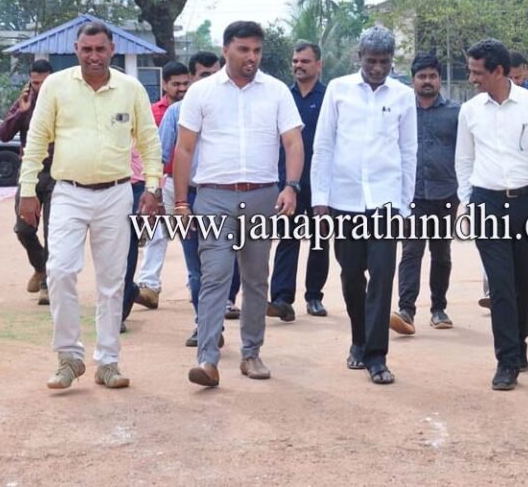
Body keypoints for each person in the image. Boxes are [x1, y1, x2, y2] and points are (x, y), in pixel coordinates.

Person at [18, 20, 162, 390]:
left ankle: (108, 362)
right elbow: (36, 140)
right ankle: (69, 358)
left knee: (113, 280)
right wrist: (28, 190)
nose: (94, 56)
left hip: (116, 194)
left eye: (100, 49)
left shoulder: (130, 89)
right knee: (60, 271)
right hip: (68, 192)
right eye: (87, 49)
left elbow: (149, 141)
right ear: (76, 50)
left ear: (112, 50)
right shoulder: (56, 85)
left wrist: (153, 187)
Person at [175, 21, 304, 387]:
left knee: (256, 277)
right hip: (213, 197)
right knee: (215, 275)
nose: (252, 57)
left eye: (257, 51)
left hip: (263, 196)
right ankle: (208, 360)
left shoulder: (276, 91)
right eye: (244, 49)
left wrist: (291, 186)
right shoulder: (201, 92)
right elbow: (184, 149)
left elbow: (293, 142)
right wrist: (182, 202)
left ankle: (251, 353)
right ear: (226, 49)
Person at [456, 39, 528, 391]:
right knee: (500, 284)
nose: (472, 78)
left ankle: (518, 345)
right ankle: (506, 361)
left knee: (524, 282)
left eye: (477, 72)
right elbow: (464, 160)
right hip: (487, 203)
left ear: (499, 71)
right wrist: (468, 201)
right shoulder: (470, 111)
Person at [312, 26, 417, 385]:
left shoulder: (403, 96)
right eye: (371, 61)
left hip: (385, 201)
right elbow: (323, 146)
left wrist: (404, 206)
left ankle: (376, 356)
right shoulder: (338, 90)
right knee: (351, 275)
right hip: (344, 200)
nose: (377, 68)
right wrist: (320, 201)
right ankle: (358, 339)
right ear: (358, 57)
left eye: (384, 62)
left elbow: (408, 152)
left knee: (383, 277)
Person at [158, 52, 241, 347]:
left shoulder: (236, 109)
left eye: (216, 73)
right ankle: (205, 325)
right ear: (192, 78)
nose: (212, 80)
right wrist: (158, 193)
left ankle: (219, 312)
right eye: (205, 75)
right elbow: (162, 156)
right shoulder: (176, 113)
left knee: (228, 262)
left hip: (229, 197)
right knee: (196, 267)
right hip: (189, 196)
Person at [391, 53, 459, 335]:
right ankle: (406, 310)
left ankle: (439, 308)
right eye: (422, 76)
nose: (427, 81)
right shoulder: (402, 111)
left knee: (441, 252)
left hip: (446, 192)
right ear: (413, 80)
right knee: (411, 250)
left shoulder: (455, 113)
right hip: (412, 194)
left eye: (432, 76)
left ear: (440, 79)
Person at [269, 41, 330, 320]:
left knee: (320, 239)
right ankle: (282, 299)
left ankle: (314, 296)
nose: (298, 66)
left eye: (304, 61)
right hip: (288, 181)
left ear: (318, 64)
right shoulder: (282, 96)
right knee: (288, 237)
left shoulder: (328, 97)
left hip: (320, 181)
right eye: (295, 61)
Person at [133, 61, 191, 309]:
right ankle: (149, 286)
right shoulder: (151, 113)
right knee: (157, 233)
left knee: (195, 236)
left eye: (185, 83)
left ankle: (197, 286)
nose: (182, 88)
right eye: (176, 84)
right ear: (164, 84)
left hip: (193, 182)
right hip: (164, 180)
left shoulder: (196, 109)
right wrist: (151, 185)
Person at [0, 60, 54, 305]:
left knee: (53, 231)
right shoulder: (25, 103)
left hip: (57, 172)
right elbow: (4, 135)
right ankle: (40, 266)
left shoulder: (63, 102)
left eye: (45, 82)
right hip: (31, 171)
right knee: (23, 229)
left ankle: (48, 284)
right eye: (36, 83)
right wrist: (21, 112)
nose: (40, 88)